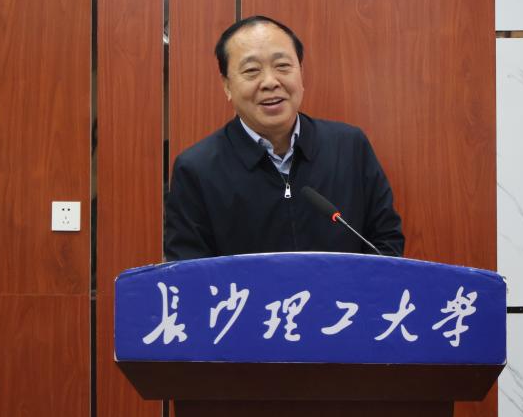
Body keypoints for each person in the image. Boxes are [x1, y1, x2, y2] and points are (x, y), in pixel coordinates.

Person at [163, 15, 405, 260]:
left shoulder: (349, 147)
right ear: (227, 85)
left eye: (282, 66)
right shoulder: (197, 169)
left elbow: (386, 243)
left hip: (344, 288)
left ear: (301, 73)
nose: (270, 82)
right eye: (251, 70)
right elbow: (188, 269)